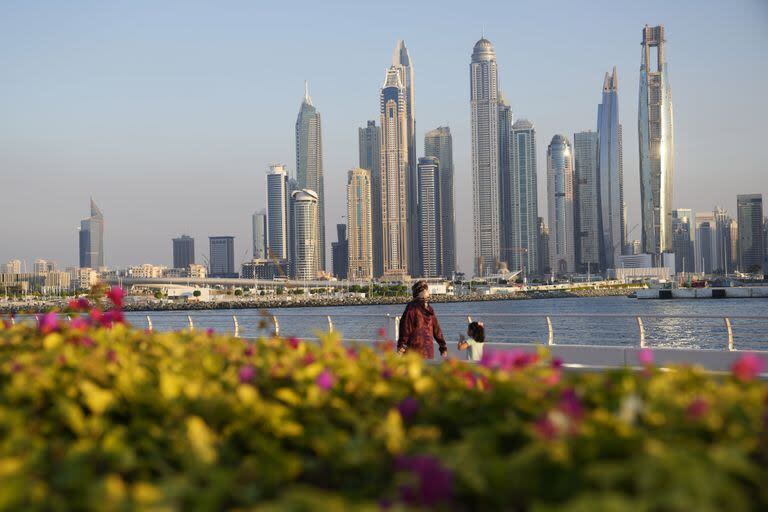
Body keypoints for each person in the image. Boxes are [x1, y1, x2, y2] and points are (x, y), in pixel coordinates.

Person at [397, 280, 447, 359]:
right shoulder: (417, 310)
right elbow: (437, 330)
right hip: (425, 351)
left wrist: (401, 348)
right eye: (424, 298)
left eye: (427, 298)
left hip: (416, 352)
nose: (426, 301)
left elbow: (405, 331)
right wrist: (443, 347)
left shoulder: (412, 309)